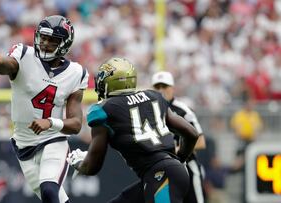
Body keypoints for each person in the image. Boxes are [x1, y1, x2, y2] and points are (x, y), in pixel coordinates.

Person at [0, 15, 89, 203]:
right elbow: (0, 65)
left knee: (49, 189)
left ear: (65, 44)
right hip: (24, 144)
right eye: (43, 37)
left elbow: (75, 124)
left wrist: (50, 122)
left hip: (53, 139)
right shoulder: (23, 54)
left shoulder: (76, 73)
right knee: (54, 199)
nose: (45, 43)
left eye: (52, 40)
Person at [67, 58, 199, 203]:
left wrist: (80, 163)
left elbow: (93, 167)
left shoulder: (103, 110)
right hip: (162, 174)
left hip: (161, 175)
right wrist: (179, 159)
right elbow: (191, 133)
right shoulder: (153, 96)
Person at [152, 71, 207, 203]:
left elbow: (200, 142)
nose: (161, 91)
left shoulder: (183, 110)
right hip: (163, 169)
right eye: (157, 87)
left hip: (186, 165)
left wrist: (175, 150)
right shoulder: (149, 110)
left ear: (172, 88)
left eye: (164, 86)